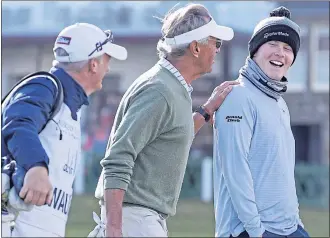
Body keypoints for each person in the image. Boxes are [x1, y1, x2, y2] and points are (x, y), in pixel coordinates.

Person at [88, 3, 238, 238]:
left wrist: (206, 110)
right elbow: (118, 158)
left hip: (141, 219)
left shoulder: (170, 85)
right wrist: (114, 228)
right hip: (135, 221)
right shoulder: (160, 90)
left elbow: (171, 135)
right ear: (196, 48)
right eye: (215, 43)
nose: (218, 50)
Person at [1, 22, 127, 237]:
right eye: (107, 58)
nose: (109, 66)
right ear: (93, 65)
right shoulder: (45, 86)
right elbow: (19, 123)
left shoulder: (69, 105)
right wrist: (35, 167)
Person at [213, 6, 310, 238]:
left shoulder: (279, 103)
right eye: (273, 44)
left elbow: (283, 171)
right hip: (249, 231)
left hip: (289, 228)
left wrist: (296, 222)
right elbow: (236, 171)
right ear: (255, 50)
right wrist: (256, 231)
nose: (280, 53)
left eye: (287, 48)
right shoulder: (238, 96)